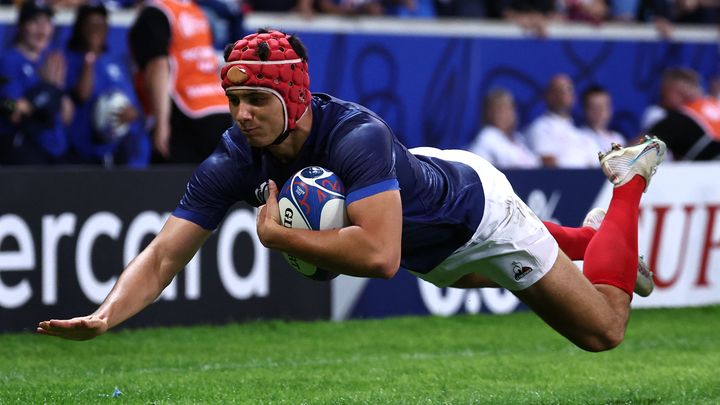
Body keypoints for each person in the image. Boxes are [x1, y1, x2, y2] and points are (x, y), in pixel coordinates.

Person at [38, 29, 667, 353]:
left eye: (256, 99)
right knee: (564, 269)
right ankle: (599, 241)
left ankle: (628, 183)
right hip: (434, 238)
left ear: (295, 96)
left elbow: (379, 258)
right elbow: (164, 254)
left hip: (482, 221)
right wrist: (104, 316)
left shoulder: (355, 134)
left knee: (603, 330)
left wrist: (277, 234)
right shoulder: (236, 153)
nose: (241, 114)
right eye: (233, 100)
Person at [128, 0, 232, 163]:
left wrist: (161, 123)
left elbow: (159, 65)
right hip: (219, 108)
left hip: (186, 114)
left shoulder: (155, 13)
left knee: (171, 183)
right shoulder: (194, 10)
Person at [64, 3, 150, 167]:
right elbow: (82, 94)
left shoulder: (117, 62)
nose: (96, 31)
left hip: (119, 152)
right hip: (83, 152)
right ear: (80, 29)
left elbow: (134, 104)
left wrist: (132, 113)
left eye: (101, 25)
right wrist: (90, 55)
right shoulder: (69, 60)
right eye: (91, 26)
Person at [0, 1, 73, 165]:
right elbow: (11, 108)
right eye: (35, 22)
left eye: (47, 22)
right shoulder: (9, 61)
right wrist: (47, 89)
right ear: (21, 27)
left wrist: (58, 89)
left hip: (55, 150)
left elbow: (66, 116)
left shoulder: (51, 61)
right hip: (23, 150)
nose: (42, 29)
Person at [526, 73, 600, 168]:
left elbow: (598, 167)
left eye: (567, 91)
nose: (563, 96)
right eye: (557, 91)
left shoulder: (582, 133)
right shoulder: (540, 128)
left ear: (574, 97)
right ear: (548, 96)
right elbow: (549, 166)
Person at [647, 67, 720, 160]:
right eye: (679, 92)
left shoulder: (678, 119)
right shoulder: (713, 104)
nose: (686, 95)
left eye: (685, 91)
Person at [466, 88, 540, 169]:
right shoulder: (486, 137)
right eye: (499, 109)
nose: (504, 114)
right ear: (488, 113)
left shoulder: (519, 139)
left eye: (508, 108)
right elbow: (476, 170)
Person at [579, 84, 626, 152]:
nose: (600, 111)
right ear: (584, 110)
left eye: (604, 106)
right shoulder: (577, 137)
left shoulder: (618, 138)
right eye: (594, 107)